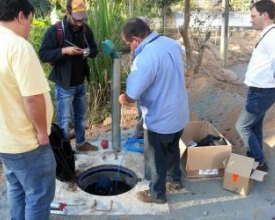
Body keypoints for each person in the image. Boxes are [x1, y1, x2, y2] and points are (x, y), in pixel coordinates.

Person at [119, 18, 189, 204]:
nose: (131, 48)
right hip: (179, 113)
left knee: (155, 157)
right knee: (172, 148)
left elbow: (132, 95)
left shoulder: (146, 57)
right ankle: (175, 181)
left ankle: (157, 194)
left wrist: (122, 99)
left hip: (160, 117)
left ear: (136, 39)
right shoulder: (170, 43)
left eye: (129, 44)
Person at [0, 0, 56, 219]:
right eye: (31, 22)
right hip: (26, 142)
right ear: (21, 16)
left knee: (16, 188)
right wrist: (42, 133)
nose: (30, 28)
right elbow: (32, 98)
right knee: (38, 195)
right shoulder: (18, 46)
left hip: (5, 140)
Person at [39, 0, 98, 152]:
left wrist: (86, 52)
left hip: (80, 82)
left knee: (81, 117)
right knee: (64, 120)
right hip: (64, 84)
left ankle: (81, 143)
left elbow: (94, 50)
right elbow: (43, 54)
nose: (80, 23)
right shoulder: (56, 31)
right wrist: (64, 51)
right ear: (67, 13)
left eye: (82, 19)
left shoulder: (85, 30)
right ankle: (65, 152)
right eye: (76, 19)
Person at [236, 0, 275, 172]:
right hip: (259, 90)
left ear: (265, 15)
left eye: (253, 16)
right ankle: (256, 160)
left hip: (262, 92)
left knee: (242, 126)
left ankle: (258, 162)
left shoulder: (273, 36)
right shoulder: (267, 34)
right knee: (254, 126)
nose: (251, 20)